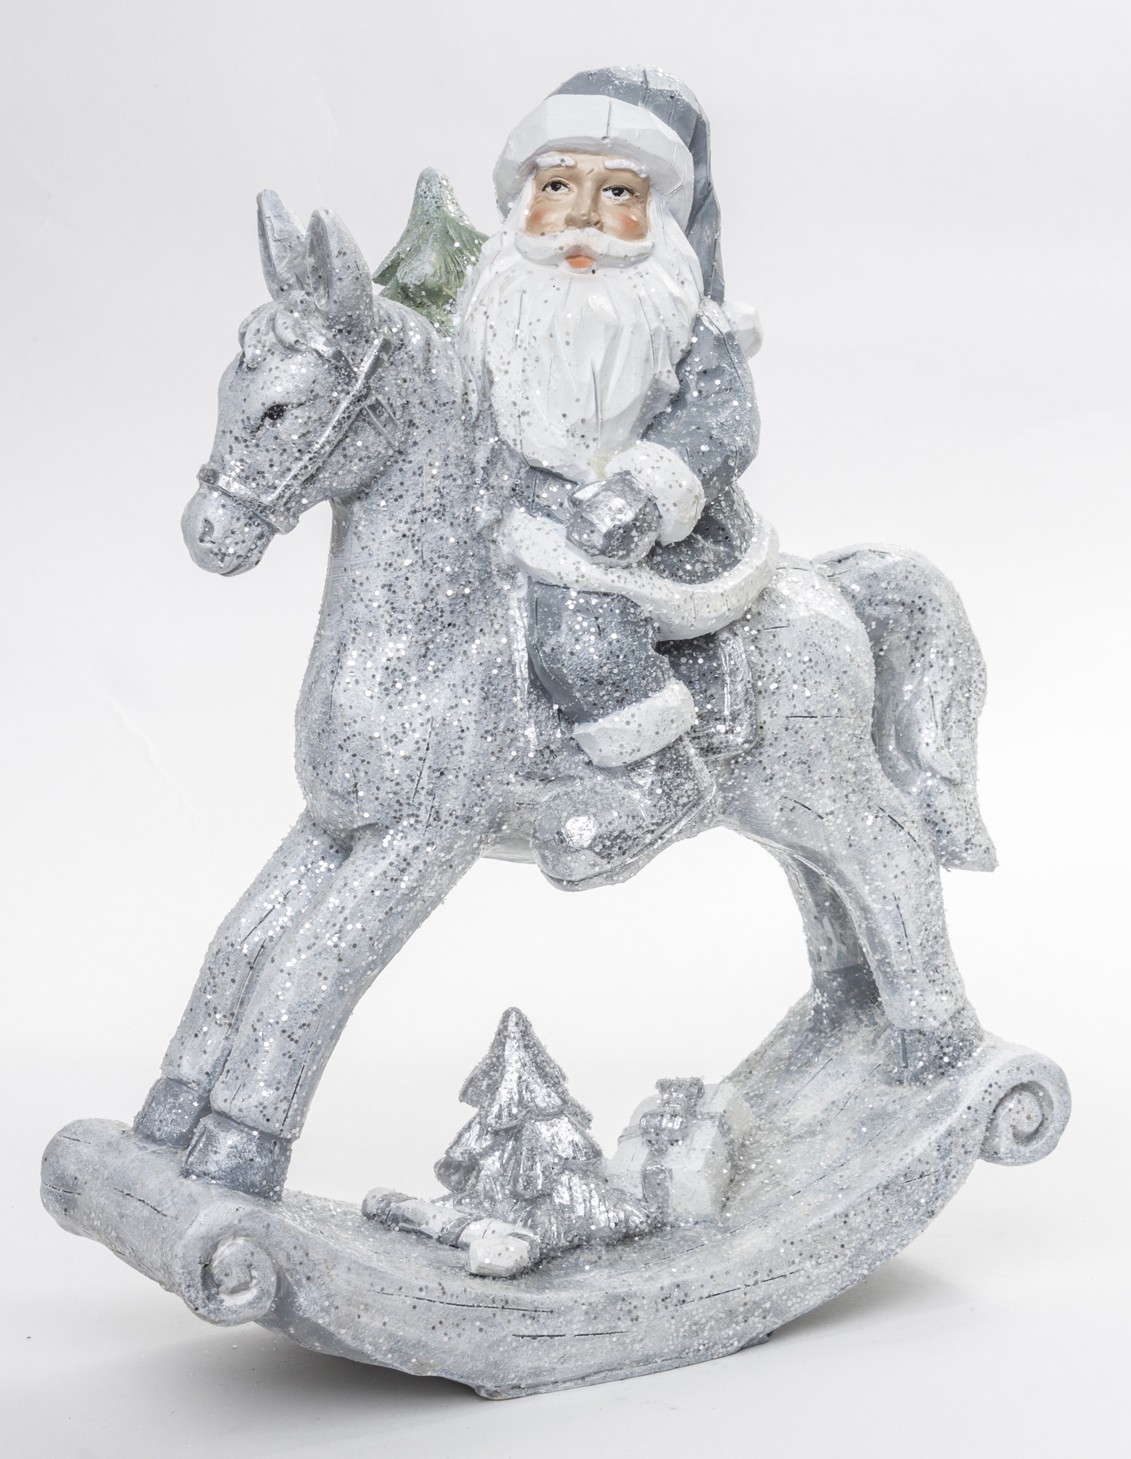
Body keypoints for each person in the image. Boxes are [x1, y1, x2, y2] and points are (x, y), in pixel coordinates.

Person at [455, 67, 760, 888]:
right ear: (524, 198)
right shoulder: (489, 305)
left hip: (642, 532)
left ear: (655, 214)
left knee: (578, 630)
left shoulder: (681, 320)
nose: (582, 215)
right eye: (558, 186)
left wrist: (645, 491)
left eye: (617, 192)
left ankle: (660, 778)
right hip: (507, 511)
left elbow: (721, 422)